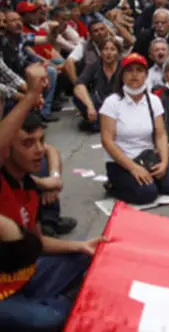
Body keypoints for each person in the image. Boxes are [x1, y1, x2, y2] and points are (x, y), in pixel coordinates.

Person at [0, 65, 105, 331]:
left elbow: (38, 243)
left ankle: (44, 305)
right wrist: (31, 93)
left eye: (41, 141)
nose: (38, 151)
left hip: (24, 277)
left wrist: (80, 247)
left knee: (88, 253)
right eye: (27, 144)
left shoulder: (30, 186)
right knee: (53, 320)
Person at [99, 53, 169, 205]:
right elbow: (107, 141)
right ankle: (114, 186)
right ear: (122, 75)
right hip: (121, 162)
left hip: (147, 157)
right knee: (147, 194)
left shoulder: (154, 100)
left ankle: (148, 182)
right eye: (129, 70)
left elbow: (161, 134)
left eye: (139, 70)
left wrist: (164, 162)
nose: (134, 75)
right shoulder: (112, 102)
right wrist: (133, 168)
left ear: (146, 75)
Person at [73, 38, 121, 132]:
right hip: (100, 103)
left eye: (112, 49)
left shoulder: (123, 66)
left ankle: (99, 124)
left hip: (119, 104)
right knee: (78, 96)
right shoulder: (94, 65)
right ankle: (101, 122)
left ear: (118, 52)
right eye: (105, 49)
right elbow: (79, 86)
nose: (108, 53)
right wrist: (90, 106)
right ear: (101, 52)